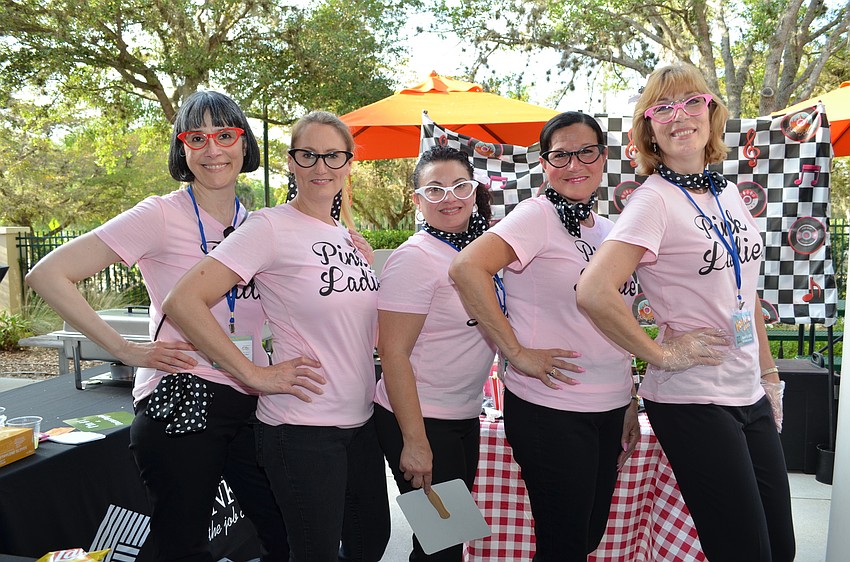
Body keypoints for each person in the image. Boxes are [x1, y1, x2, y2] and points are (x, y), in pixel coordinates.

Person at [25, 90, 305, 561]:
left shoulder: (258, 223)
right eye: (197, 138)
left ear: (244, 143)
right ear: (182, 149)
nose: (213, 149)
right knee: (182, 545)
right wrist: (125, 349)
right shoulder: (158, 215)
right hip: (184, 397)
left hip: (251, 397)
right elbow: (47, 275)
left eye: (224, 135)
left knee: (284, 532)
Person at [576, 63, 795, 562]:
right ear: (648, 129)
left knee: (780, 546)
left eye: (692, 102)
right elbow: (593, 291)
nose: (680, 117)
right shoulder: (653, 200)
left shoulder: (729, 193)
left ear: (711, 111)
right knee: (745, 551)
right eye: (663, 108)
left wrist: (769, 374)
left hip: (749, 392)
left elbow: (747, 294)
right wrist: (660, 353)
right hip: (693, 397)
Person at [162, 110, 390, 562]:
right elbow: (182, 300)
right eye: (308, 155)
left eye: (333, 156)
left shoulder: (344, 234)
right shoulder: (269, 226)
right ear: (290, 162)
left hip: (360, 422)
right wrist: (255, 375)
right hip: (302, 429)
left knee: (370, 544)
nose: (321, 167)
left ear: (348, 164)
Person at [448, 112, 641, 561]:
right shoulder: (535, 216)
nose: (575, 165)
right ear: (544, 162)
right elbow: (464, 271)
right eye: (561, 155)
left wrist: (628, 396)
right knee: (562, 543)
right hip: (539, 408)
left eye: (586, 152)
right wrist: (515, 353)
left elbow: (618, 321)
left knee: (586, 536)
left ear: (604, 157)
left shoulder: (611, 232)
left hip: (606, 406)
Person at [373, 146, 497, 561]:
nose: (450, 198)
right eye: (436, 189)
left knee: (447, 538)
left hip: (462, 415)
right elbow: (392, 353)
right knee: (440, 544)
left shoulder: (482, 252)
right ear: (418, 200)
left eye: (460, 186)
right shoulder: (415, 258)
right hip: (419, 418)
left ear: (475, 190)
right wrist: (415, 441)